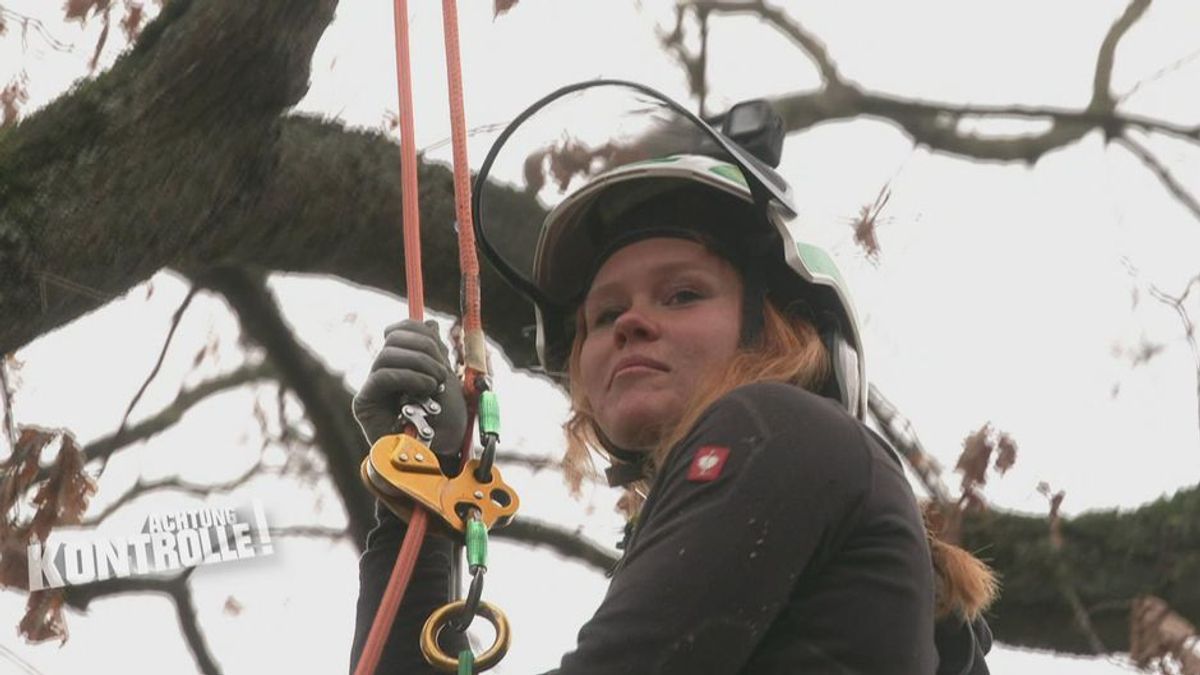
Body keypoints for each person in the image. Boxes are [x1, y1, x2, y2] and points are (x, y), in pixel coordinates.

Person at [349, 82, 995, 674]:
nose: (630, 322)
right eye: (603, 315)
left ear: (780, 328)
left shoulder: (782, 427)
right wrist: (421, 495)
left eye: (682, 294)